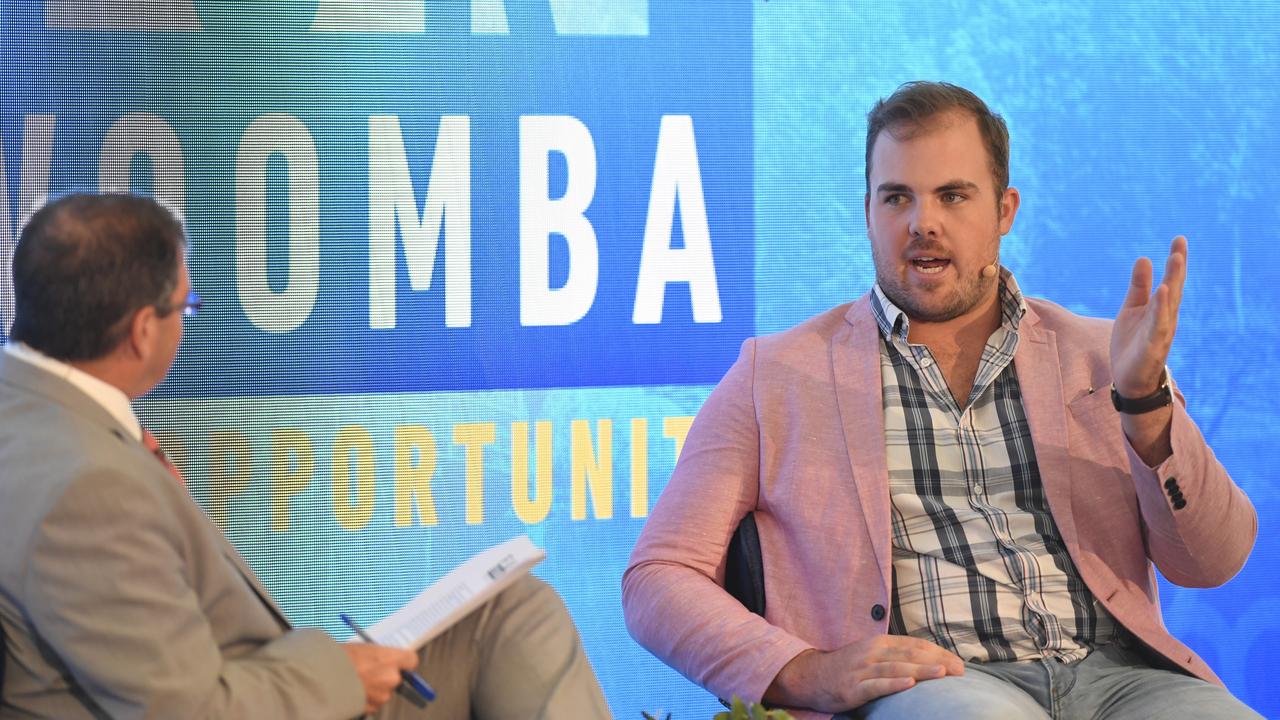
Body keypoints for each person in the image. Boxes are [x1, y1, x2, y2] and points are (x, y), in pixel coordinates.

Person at [622, 81, 1259, 720]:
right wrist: (800, 670)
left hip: (1124, 680)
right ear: (868, 211)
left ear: (1004, 210)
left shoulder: (1102, 356)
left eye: (953, 195)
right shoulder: (776, 375)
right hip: (940, 686)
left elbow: (1213, 561)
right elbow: (658, 577)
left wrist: (1146, 406)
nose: (922, 221)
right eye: (897, 197)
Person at [0, 193, 610, 719]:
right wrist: (341, 676)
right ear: (141, 331)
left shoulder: (32, 407)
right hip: (266, 699)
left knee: (510, 608)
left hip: (268, 678)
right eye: (186, 307)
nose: (187, 323)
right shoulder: (87, 488)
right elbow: (189, 710)